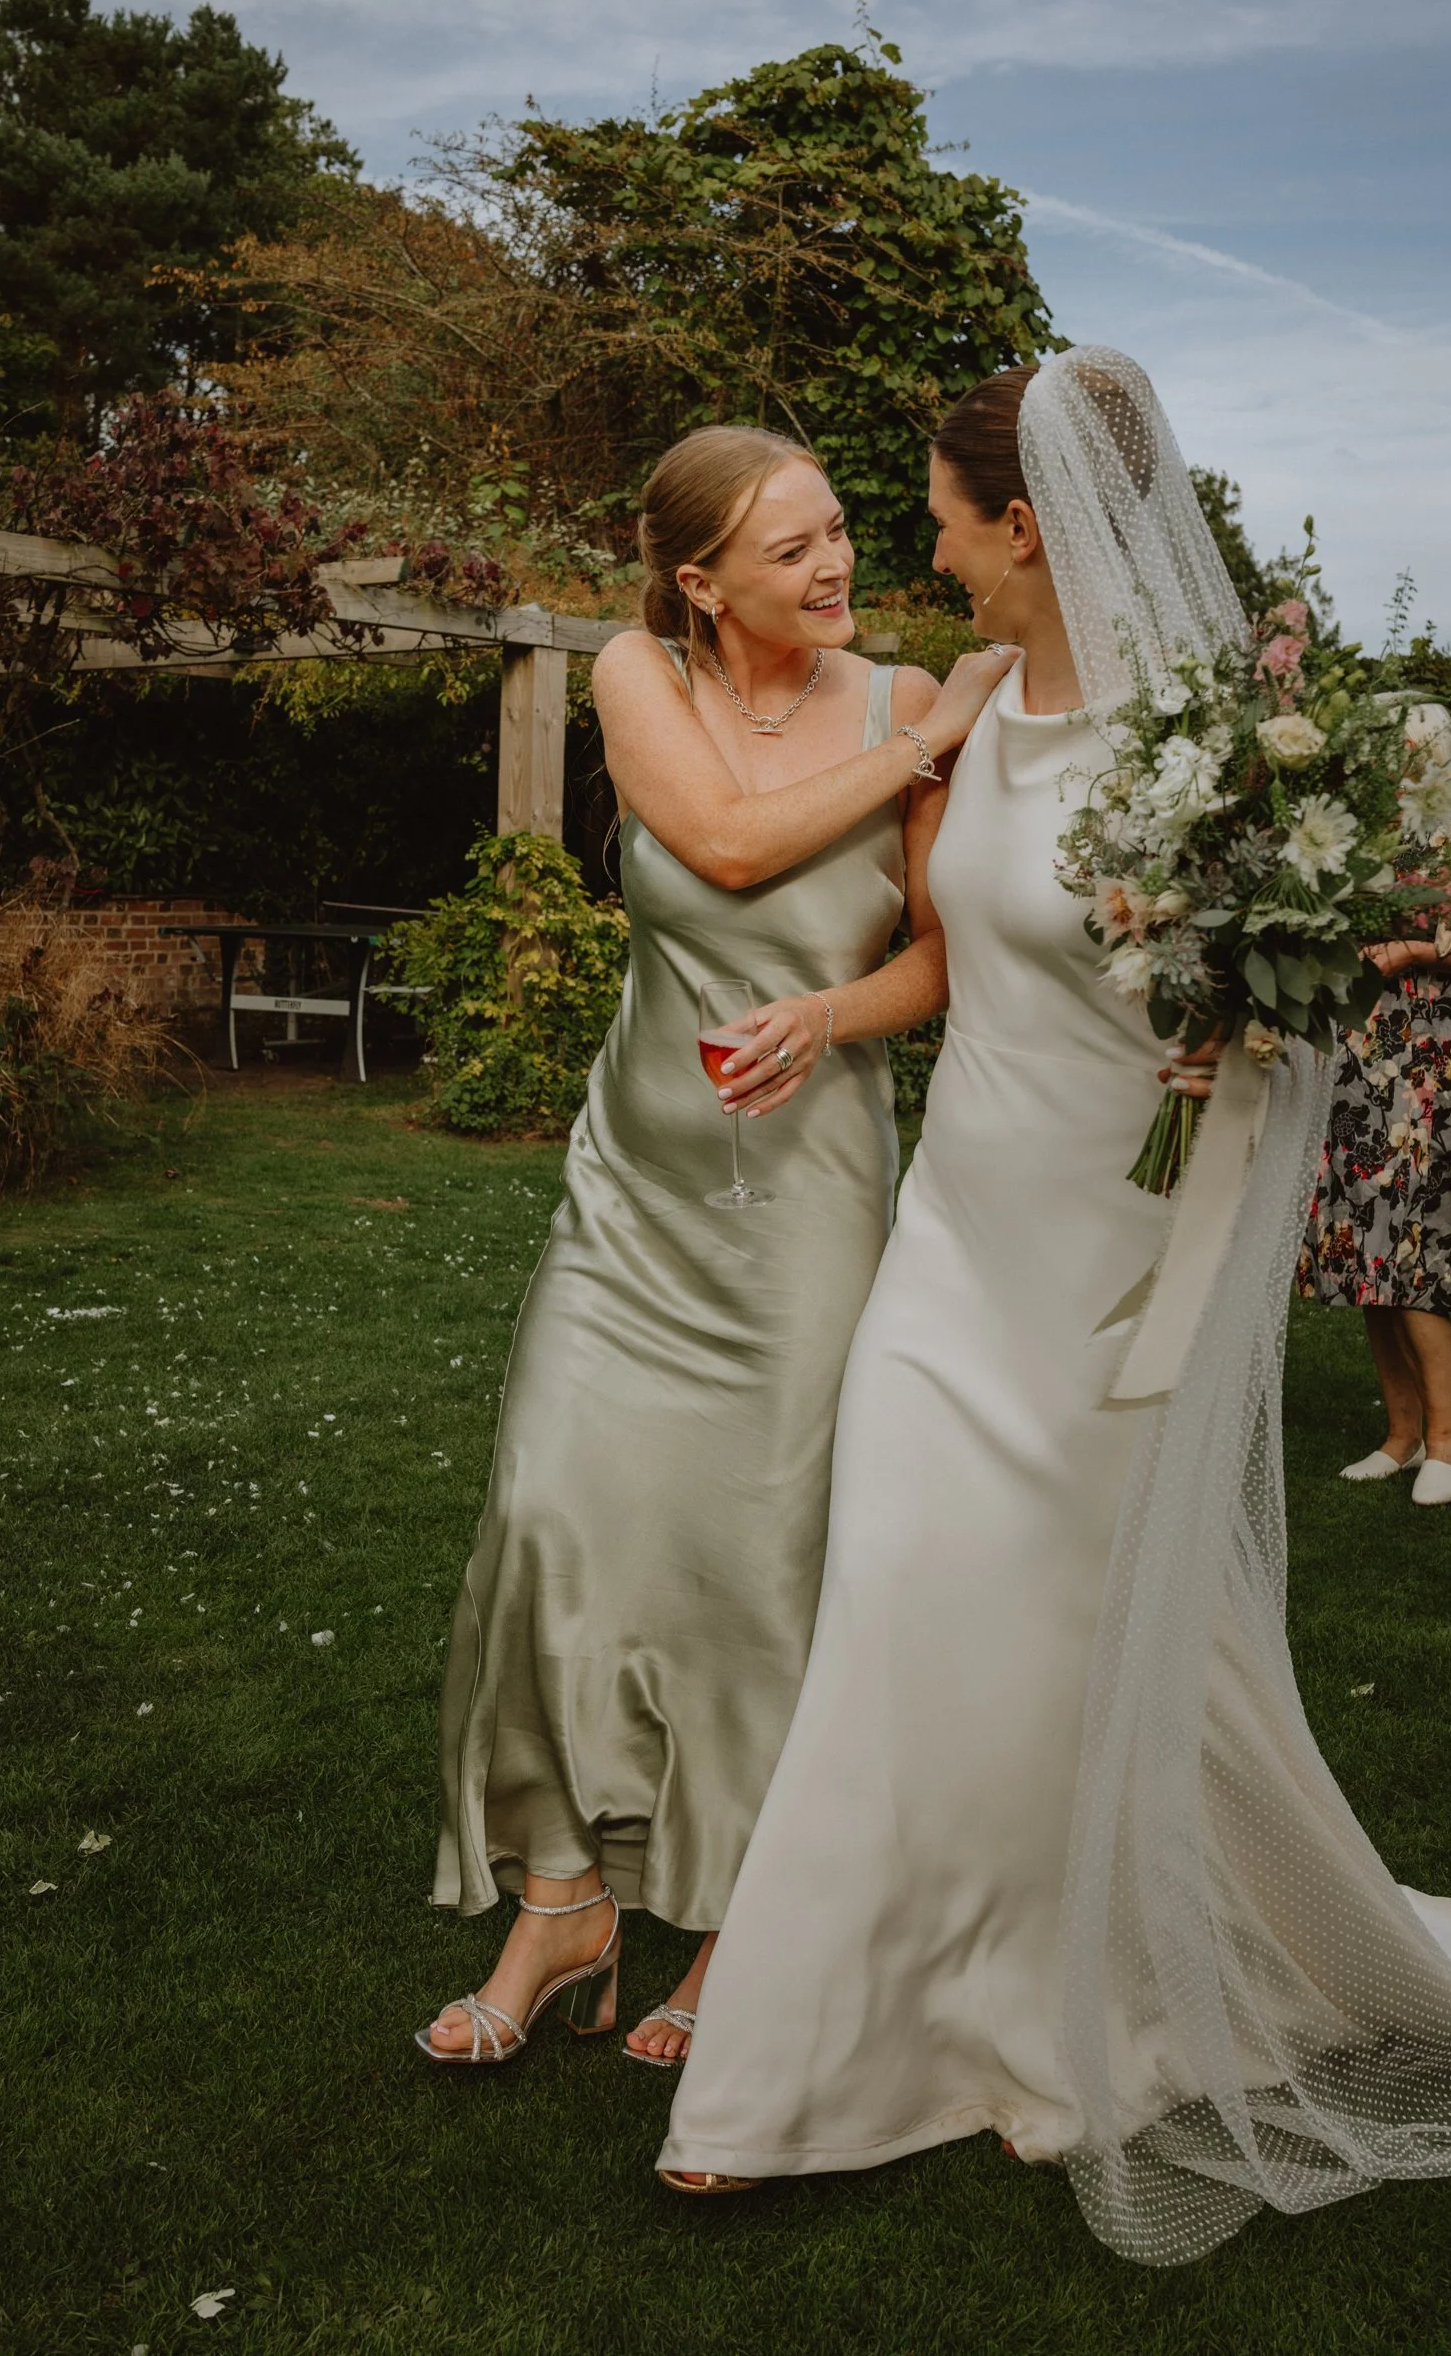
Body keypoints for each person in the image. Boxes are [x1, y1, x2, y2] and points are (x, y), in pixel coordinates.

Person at [657, 350, 1451, 2256]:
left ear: (1026, 523)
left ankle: (1062, 1981)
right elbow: (942, 948)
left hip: (1116, 1253)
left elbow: (1277, 1024)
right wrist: (818, 1013)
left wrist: (1222, 1070)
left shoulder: (1220, 755)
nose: (918, 548)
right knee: (903, 1591)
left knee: (1072, 1638)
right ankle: (794, 2062)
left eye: (937, 516)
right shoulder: (976, 702)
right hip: (959, 1240)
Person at [421, 424, 1019, 2067]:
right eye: (790, 549)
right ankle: (566, 1901)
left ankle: (745, 1912)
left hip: (807, 1205)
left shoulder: (904, 698)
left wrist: (830, 1010)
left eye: (838, 532)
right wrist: (929, 745)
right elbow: (735, 843)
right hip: (635, 1196)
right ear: (698, 580)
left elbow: (938, 964)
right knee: (552, 1504)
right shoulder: (639, 673)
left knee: (761, 1564)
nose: (834, 566)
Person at [1299, 736, 1451, 1507]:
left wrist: (1415, 948)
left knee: (1416, 1240)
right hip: (1369, 1052)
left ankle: (1446, 1440)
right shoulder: (1361, 834)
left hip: (1443, 1061)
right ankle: (1400, 1436)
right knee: (1369, 1242)